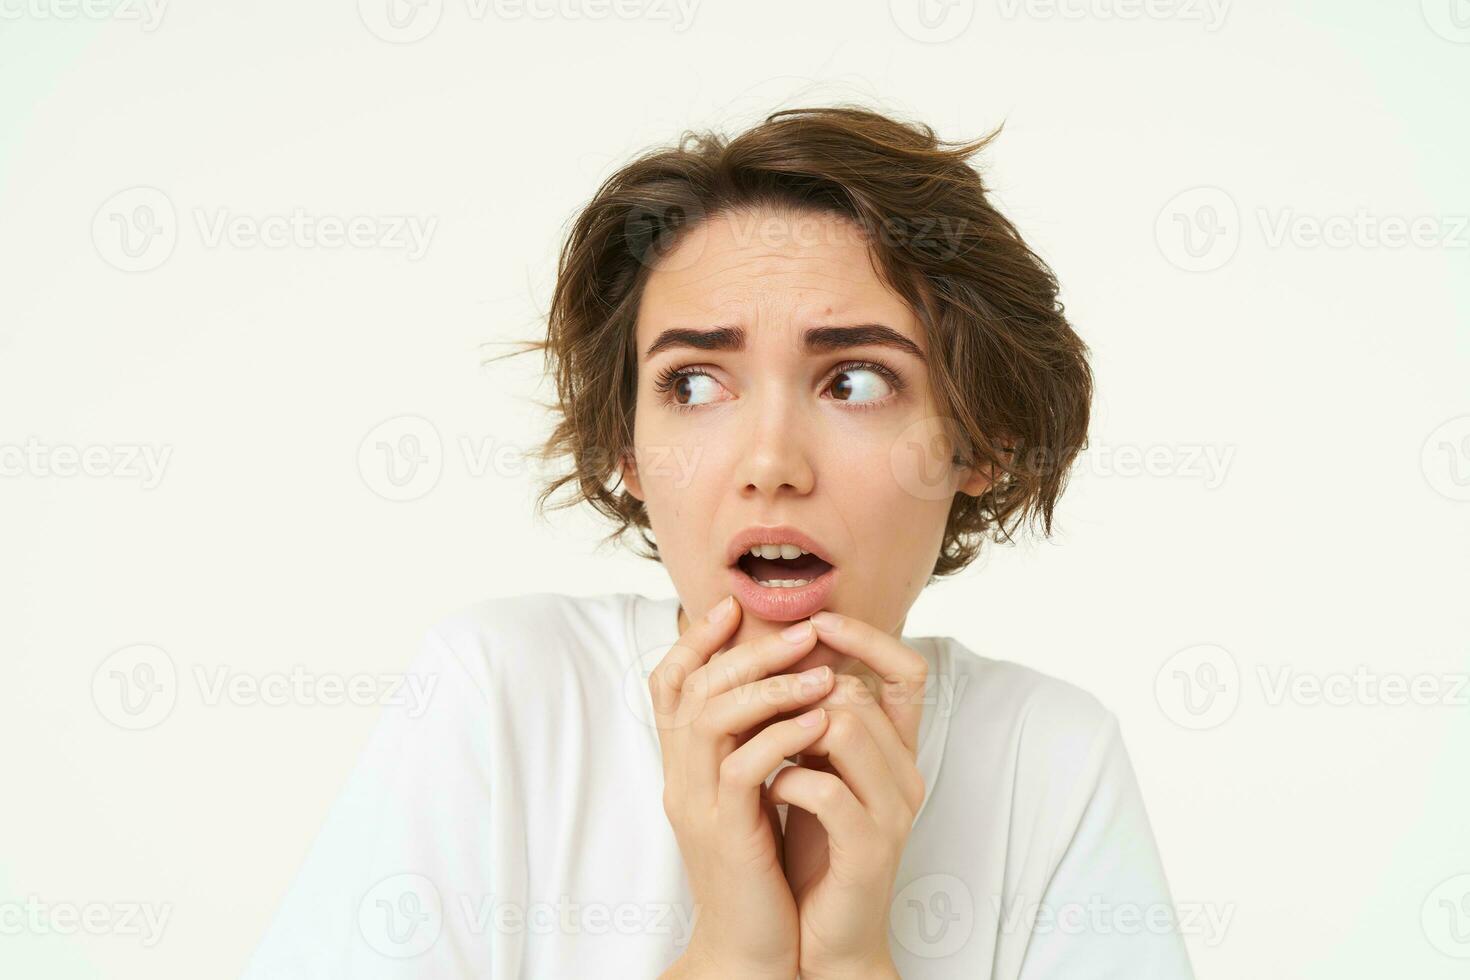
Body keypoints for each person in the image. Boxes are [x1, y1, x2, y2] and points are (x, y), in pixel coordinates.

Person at [242, 106, 1195, 979]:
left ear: (977, 439)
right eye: (695, 384)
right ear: (626, 446)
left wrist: (854, 959)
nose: (771, 463)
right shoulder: (500, 692)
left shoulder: (1050, 757)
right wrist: (733, 952)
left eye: (856, 381)